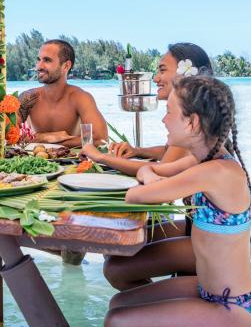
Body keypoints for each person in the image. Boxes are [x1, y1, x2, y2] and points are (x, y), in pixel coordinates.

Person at [105, 76, 251, 327]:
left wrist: (147, 173)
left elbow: (136, 195)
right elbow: (160, 174)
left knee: (117, 320)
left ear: (192, 122)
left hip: (233, 305)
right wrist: (150, 173)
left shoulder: (216, 172)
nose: (164, 120)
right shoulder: (203, 161)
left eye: (169, 112)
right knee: (118, 304)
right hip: (209, 291)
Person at [81, 42, 212, 290]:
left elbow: (164, 166)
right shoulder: (201, 123)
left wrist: (101, 157)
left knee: (115, 266)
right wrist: (139, 152)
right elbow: (170, 156)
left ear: (185, 73)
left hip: (208, 237)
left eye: (162, 70)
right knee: (118, 249)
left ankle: (157, 305)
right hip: (199, 224)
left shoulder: (195, 128)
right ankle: (161, 302)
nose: (156, 77)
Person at [18, 40, 107, 148]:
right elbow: (7, 136)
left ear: (66, 66)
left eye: (47, 60)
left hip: (72, 163)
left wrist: (44, 141)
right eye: (39, 60)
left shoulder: (80, 98)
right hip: (36, 161)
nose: (38, 67)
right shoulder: (28, 97)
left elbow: (100, 140)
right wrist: (46, 137)